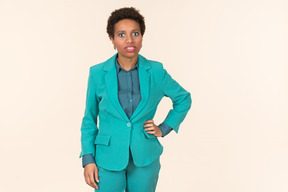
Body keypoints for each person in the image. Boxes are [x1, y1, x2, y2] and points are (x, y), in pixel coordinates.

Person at [79, 7, 192, 192]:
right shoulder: (97, 73)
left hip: (145, 156)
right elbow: (89, 120)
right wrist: (88, 159)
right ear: (112, 40)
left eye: (135, 33)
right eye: (121, 34)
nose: (129, 40)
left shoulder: (155, 71)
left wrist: (163, 128)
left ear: (142, 37)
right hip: (107, 158)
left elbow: (183, 99)